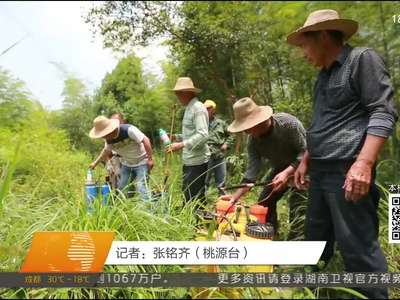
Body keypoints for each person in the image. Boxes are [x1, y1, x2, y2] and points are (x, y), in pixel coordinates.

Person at [287, 9, 398, 299]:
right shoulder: (322, 78)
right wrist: (305, 161)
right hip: (320, 171)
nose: (303, 54)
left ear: (323, 36)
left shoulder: (361, 59)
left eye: (304, 46)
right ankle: (315, 292)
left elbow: (382, 112)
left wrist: (364, 163)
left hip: (348, 169)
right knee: (316, 240)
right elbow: (321, 125)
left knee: (357, 247)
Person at [222, 97, 307, 240]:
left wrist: (288, 173)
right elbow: (252, 172)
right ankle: (269, 236)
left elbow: (307, 150)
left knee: (298, 207)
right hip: (280, 168)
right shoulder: (253, 141)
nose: (246, 132)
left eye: (247, 128)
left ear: (257, 122)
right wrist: (234, 197)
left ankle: (295, 249)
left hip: (304, 167)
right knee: (264, 203)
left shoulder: (288, 124)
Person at [88, 115, 154, 201]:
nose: (103, 137)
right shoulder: (108, 140)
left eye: (104, 134)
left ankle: (149, 210)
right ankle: (127, 209)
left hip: (142, 162)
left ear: (110, 130)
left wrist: (150, 159)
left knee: (141, 186)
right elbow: (106, 151)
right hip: (126, 164)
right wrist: (95, 163)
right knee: (122, 188)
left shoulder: (128, 130)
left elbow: (146, 140)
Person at [167, 77, 210, 206]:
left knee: (193, 198)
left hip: (197, 162)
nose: (177, 97)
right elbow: (191, 134)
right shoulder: (189, 108)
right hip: (189, 160)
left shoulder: (198, 108)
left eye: (179, 94)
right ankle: (197, 223)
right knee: (189, 195)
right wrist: (176, 137)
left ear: (187, 92)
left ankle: (196, 224)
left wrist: (180, 145)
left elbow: (203, 135)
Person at [203, 99, 234, 195]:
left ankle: (222, 203)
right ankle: (202, 204)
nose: (207, 111)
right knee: (205, 181)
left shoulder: (221, 123)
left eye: (209, 108)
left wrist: (226, 144)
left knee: (221, 182)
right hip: (206, 155)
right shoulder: (201, 124)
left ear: (213, 110)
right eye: (205, 109)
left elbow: (232, 134)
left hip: (220, 155)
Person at [104, 113, 127, 189]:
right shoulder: (109, 134)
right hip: (114, 158)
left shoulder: (126, 131)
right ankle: (115, 198)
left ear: (123, 122)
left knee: (126, 180)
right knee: (114, 181)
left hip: (127, 158)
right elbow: (107, 151)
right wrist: (109, 163)